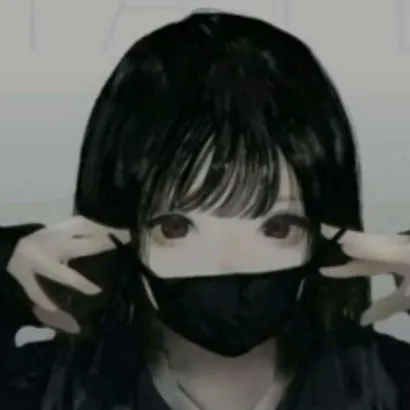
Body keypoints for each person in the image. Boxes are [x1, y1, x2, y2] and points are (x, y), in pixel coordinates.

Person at [1, 10, 410, 410]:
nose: (231, 263)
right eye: (175, 227)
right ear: (116, 227)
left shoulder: (391, 384)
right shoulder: (38, 389)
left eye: (278, 227)